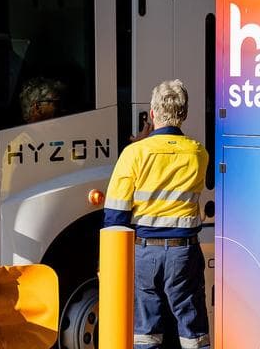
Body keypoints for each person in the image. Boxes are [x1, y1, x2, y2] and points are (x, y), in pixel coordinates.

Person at [104, 79, 209, 348]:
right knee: (192, 330)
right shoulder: (198, 153)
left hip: (144, 253)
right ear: (183, 114)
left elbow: (115, 216)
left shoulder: (134, 154)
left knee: (146, 331)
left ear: (152, 114)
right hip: (184, 253)